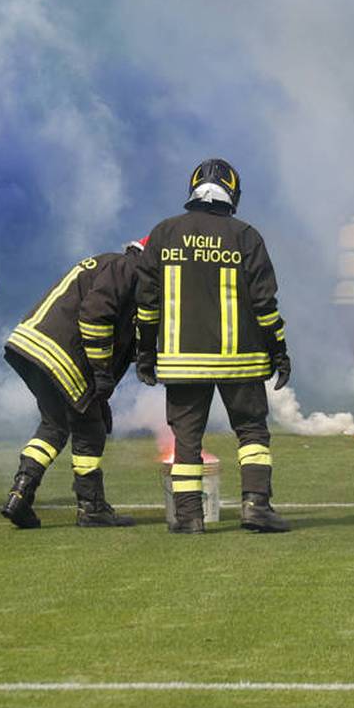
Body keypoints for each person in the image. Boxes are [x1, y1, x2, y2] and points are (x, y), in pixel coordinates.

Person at [135, 158, 291, 534]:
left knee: (187, 438)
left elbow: (146, 305)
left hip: (181, 361)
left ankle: (189, 516)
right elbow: (265, 305)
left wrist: (144, 356)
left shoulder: (163, 233)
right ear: (233, 193)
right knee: (251, 432)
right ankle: (256, 507)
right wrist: (279, 353)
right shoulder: (246, 236)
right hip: (241, 359)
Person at [0, 240, 144, 529]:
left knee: (54, 426)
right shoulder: (127, 269)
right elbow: (95, 316)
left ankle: (20, 493)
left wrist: (101, 393)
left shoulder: (110, 264)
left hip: (30, 346)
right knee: (90, 429)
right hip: (60, 351)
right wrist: (101, 374)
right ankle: (91, 507)